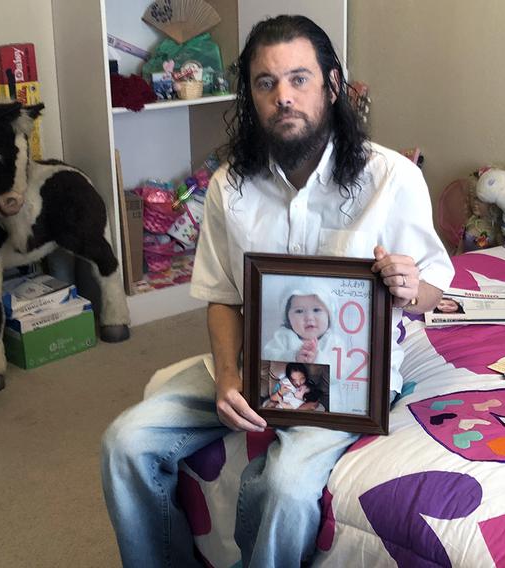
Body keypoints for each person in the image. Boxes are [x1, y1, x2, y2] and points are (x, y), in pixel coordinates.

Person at [101, 14, 453, 568]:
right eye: (266, 83)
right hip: (254, 363)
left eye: (299, 79)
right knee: (124, 443)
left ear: (331, 85)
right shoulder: (229, 186)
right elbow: (222, 295)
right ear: (251, 95)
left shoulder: (391, 178)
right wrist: (228, 376)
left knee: (286, 488)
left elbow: (432, 288)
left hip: (348, 379)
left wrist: (411, 287)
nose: (283, 97)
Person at [262, 287, 339, 364]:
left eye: (316, 310)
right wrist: (293, 357)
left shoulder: (333, 342)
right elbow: (269, 358)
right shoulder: (283, 337)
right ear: (288, 318)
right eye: (299, 311)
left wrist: (317, 358)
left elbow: (341, 370)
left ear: (329, 316)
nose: (309, 317)